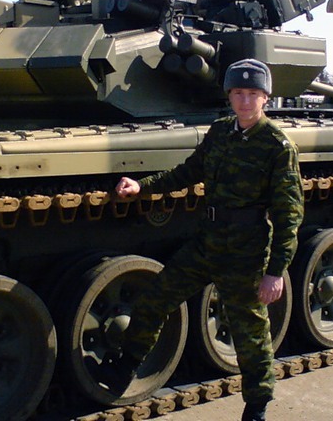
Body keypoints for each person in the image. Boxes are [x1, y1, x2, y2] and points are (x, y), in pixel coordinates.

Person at [111, 58, 305, 421]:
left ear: (265, 98)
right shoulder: (220, 132)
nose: (245, 101)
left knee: (249, 331)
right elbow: (189, 171)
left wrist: (275, 271)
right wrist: (143, 186)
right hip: (208, 241)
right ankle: (126, 367)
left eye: (253, 94)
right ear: (229, 96)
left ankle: (257, 405)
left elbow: (289, 215)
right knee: (155, 298)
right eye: (238, 93)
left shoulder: (277, 146)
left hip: (246, 251)